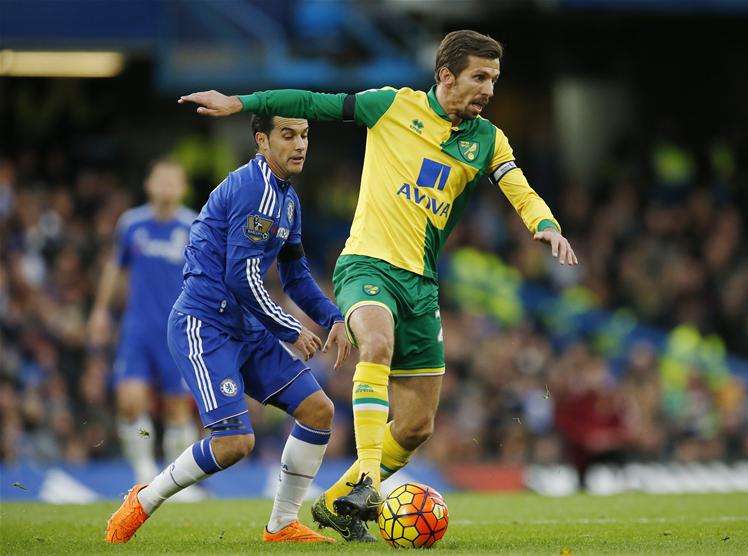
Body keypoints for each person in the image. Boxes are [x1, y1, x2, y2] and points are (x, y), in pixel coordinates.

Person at [179, 29, 579, 541]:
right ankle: (368, 477)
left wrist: (545, 224)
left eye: (494, 79)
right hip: (366, 266)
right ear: (446, 76)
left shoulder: (488, 140)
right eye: (479, 77)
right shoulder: (390, 106)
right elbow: (311, 102)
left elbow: (518, 187)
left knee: (416, 426)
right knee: (376, 342)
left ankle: (335, 503)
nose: (489, 89)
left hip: (421, 286)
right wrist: (243, 102)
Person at [105, 115, 352, 544]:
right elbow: (240, 276)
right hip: (206, 324)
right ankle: (144, 498)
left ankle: (282, 524)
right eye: (288, 135)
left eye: (305, 135)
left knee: (318, 410)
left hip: (246, 324)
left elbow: (295, 275)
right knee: (235, 442)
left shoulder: (287, 200)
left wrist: (332, 316)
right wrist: (290, 328)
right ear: (262, 140)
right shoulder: (252, 189)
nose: (300, 145)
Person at [88, 159, 199, 489]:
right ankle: (143, 471)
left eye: (172, 180)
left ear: (183, 188)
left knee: (177, 408)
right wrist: (100, 311)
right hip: (138, 328)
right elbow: (115, 268)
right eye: (160, 179)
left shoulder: (194, 226)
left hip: (179, 329)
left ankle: (177, 481)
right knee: (129, 401)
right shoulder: (131, 224)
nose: (166, 186)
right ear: (148, 184)